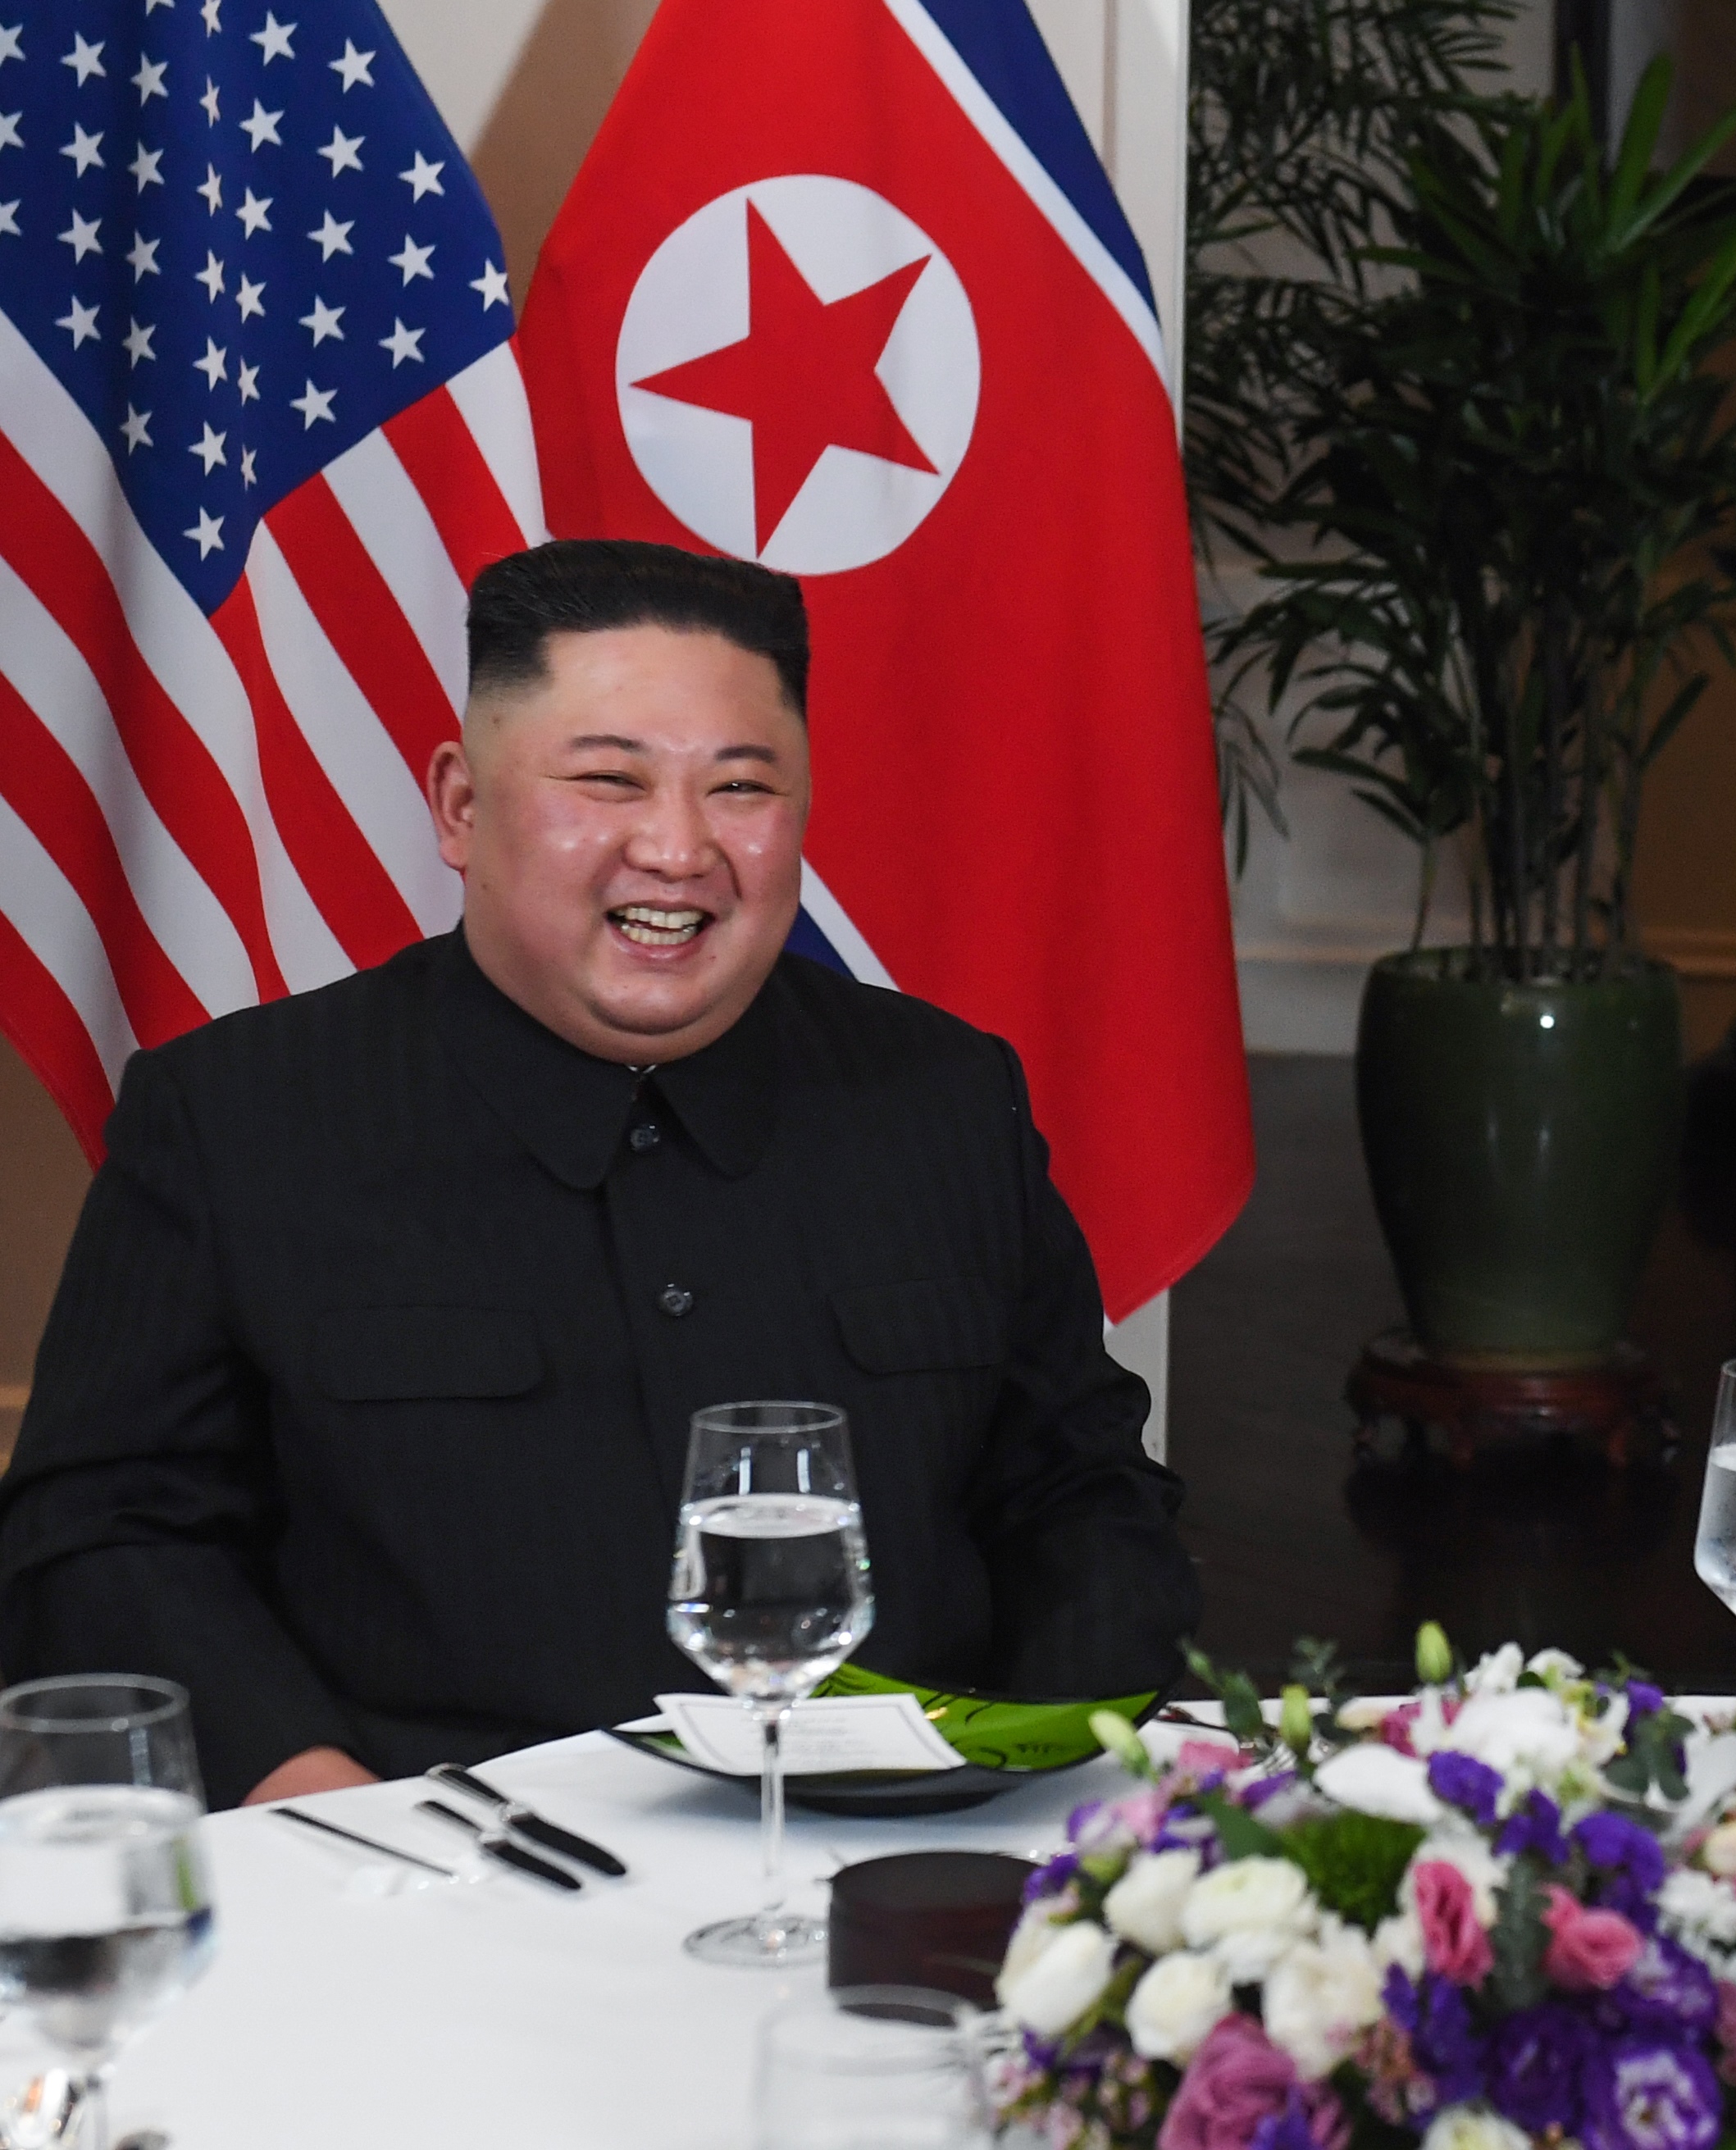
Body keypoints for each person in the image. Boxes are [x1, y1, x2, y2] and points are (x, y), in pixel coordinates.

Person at [0, 540, 1202, 1806]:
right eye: (607, 782)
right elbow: (101, 1534)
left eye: (741, 787)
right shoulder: (238, 1115)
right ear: (461, 808)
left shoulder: (946, 1096)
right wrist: (311, 1791)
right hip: (420, 1878)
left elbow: (1083, 1494)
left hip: (892, 1859)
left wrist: (1055, 1781)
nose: (679, 850)